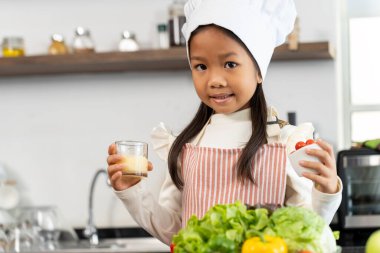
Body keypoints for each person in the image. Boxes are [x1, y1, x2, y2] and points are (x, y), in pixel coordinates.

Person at [106, 0, 342, 246]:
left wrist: (325, 194)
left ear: (259, 70)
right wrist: (132, 192)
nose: (215, 80)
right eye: (201, 66)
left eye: (230, 64)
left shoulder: (285, 142)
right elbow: (177, 231)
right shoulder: (184, 146)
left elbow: (304, 230)